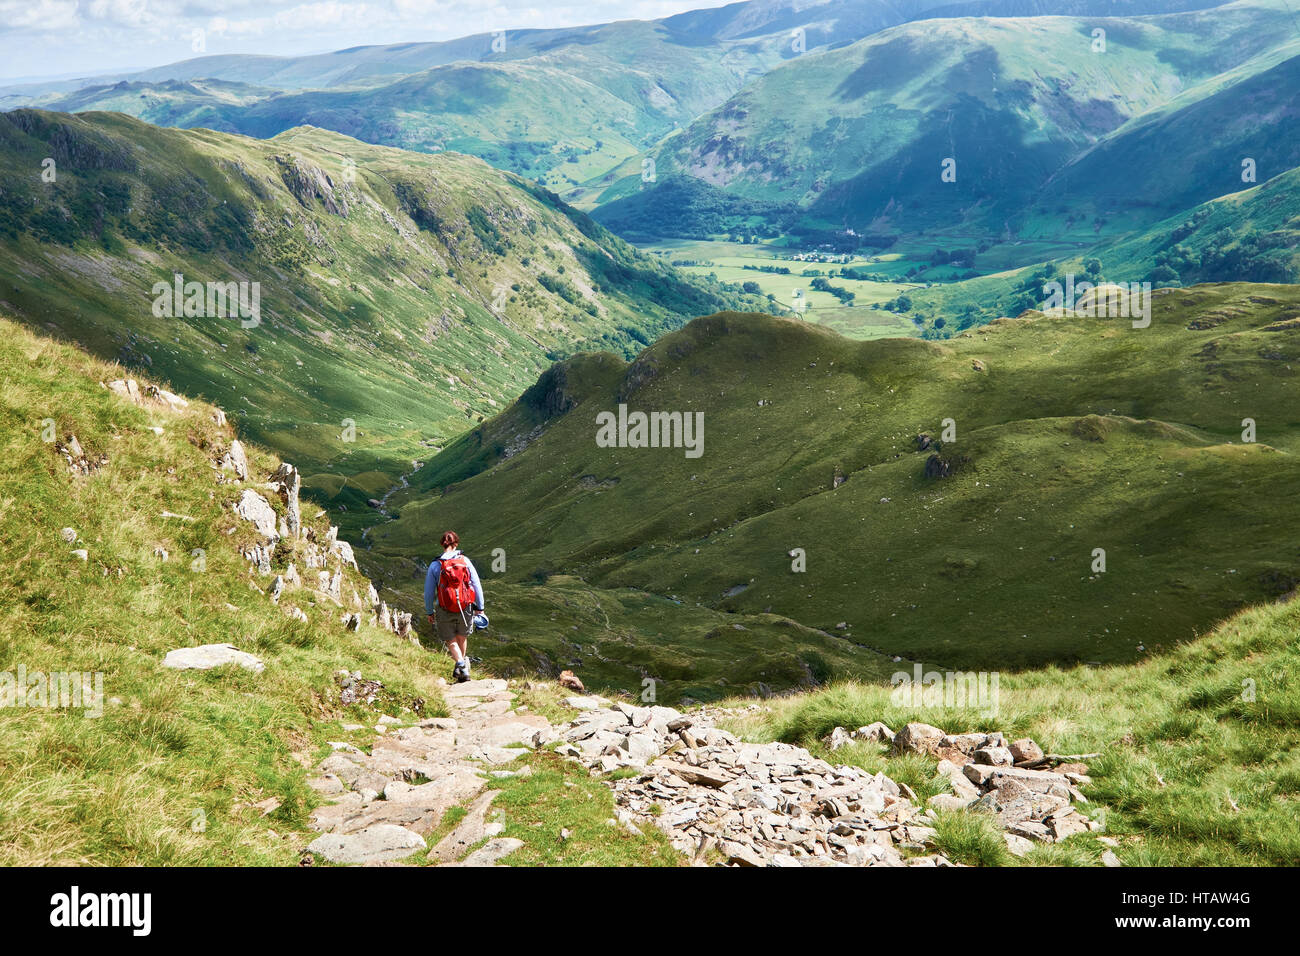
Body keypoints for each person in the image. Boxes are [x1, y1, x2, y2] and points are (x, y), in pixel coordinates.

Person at [423, 531, 484, 683]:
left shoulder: (435, 565)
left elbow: (429, 592)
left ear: (442, 544)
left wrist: (429, 611)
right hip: (466, 606)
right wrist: (480, 607)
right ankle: (463, 670)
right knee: (462, 637)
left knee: (450, 639)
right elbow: (476, 584)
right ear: (456, 543)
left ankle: (461, 664)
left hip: (444, 608)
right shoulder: (465, 561)